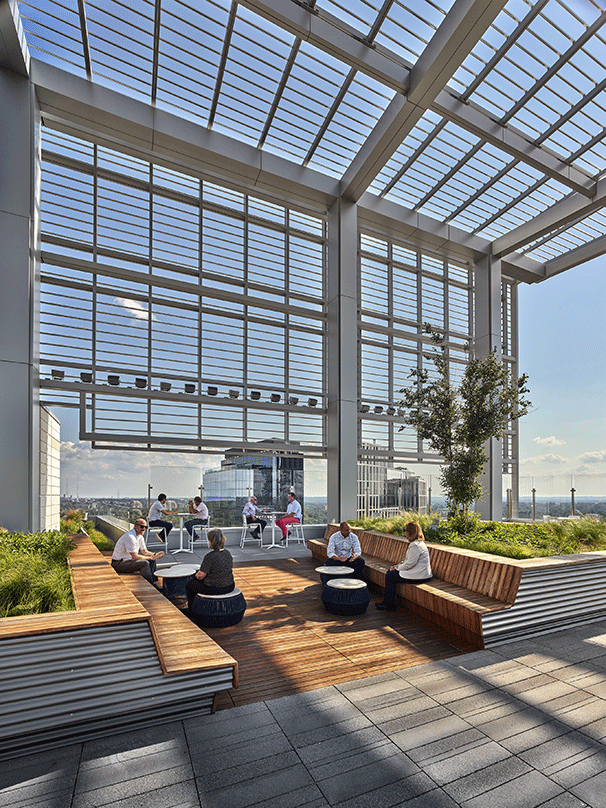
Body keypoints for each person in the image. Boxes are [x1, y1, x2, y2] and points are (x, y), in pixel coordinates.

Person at [375, 521, 432, 611]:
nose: (404, 532)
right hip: (420, 573)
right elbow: (409, 561)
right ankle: (387, 602)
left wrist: (396, 568)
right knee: (391, 573)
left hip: (419, 576)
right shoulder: (418, 543)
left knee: (390, 575)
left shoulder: (415, 546)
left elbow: (409, 564)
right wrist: (399, 565)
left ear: (410, 531)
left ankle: (389, 605)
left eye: (405, 530)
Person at [186, 528, 235, 610]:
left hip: (216, 588)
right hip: (229, 585)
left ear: (211, 541)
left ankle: (191, 606)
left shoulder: (210, 557)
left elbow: (200, 576)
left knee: (190, 583)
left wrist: (196, 575)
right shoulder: (227, 553)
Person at [111, 519, 165, 585]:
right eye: (142, 527)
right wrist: (151, 558)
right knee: (144, 563)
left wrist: (155, 554)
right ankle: (150, 584)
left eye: (146, 527)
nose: (144, 529)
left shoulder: (140, 537)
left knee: (152, 560)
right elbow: (135, 557)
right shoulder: (130, 537)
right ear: (135, 526)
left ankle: (154, 581)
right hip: (118, 564)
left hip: (128, 561)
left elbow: (145, 552)